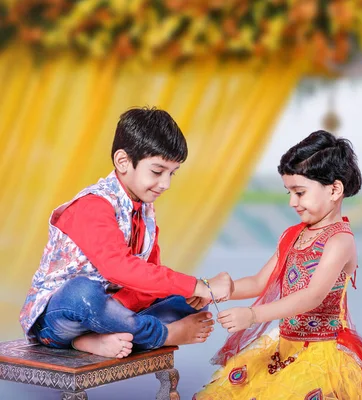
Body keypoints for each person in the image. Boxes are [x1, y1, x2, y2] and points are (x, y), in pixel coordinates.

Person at [194, 130, 362, 399]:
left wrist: (253, 316)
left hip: (320, 354)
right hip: (282, 346)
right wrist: (208, 289)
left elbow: (312, 296)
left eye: (299, 192)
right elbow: (259, 282)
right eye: (289, 192)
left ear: (335, 189)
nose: (292, 202)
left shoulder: (340, 241)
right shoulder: (294, 235)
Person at [19, 107, 233, 359]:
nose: (165, 184)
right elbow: (118, 268)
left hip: (109, 311)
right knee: (83, 292)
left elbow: (149, 276)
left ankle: (100, 337)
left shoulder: (145, 211)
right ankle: (160, 335)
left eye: (172, 173)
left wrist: (199, 290)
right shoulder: (93, 205)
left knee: (190, 301)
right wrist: (197, 285)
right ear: (122, 161)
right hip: (62, 316)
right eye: (157, 171)